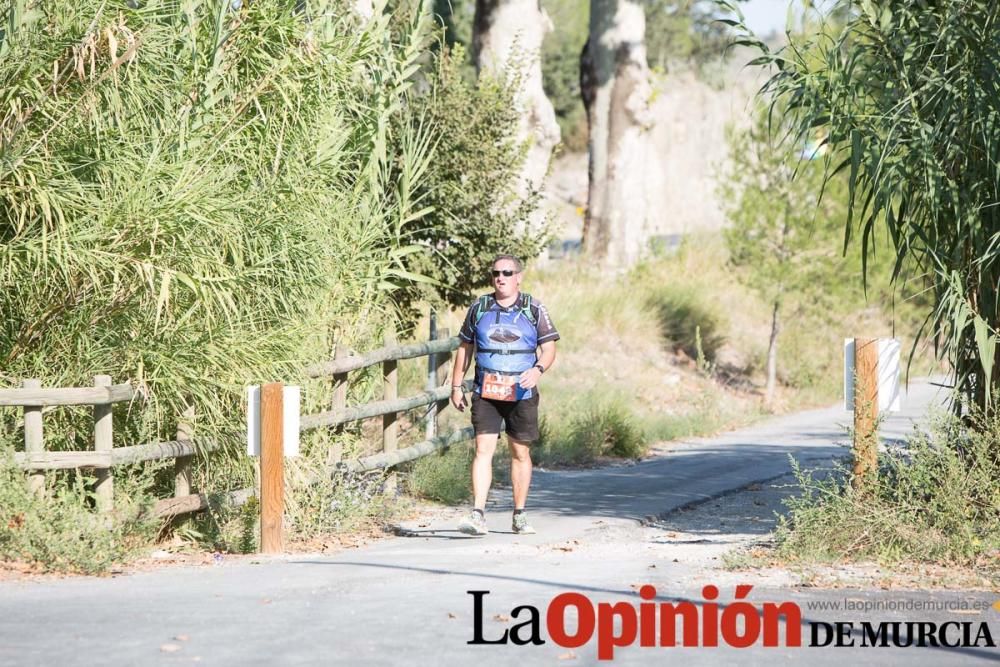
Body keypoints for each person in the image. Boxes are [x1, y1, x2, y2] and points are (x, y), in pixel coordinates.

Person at [450, 254, 559, 536]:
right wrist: (455, 385)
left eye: (507, 273)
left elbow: (549, 349)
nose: (501, 277)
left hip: (521, 392)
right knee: (482, 451)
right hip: (485, 390)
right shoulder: (480, 306)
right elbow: (465, 347)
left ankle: (519, 514)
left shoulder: (534, 308)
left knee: (519, 452)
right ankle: (477, 514)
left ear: (518, 277)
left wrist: (537, 370)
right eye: (496, 272)